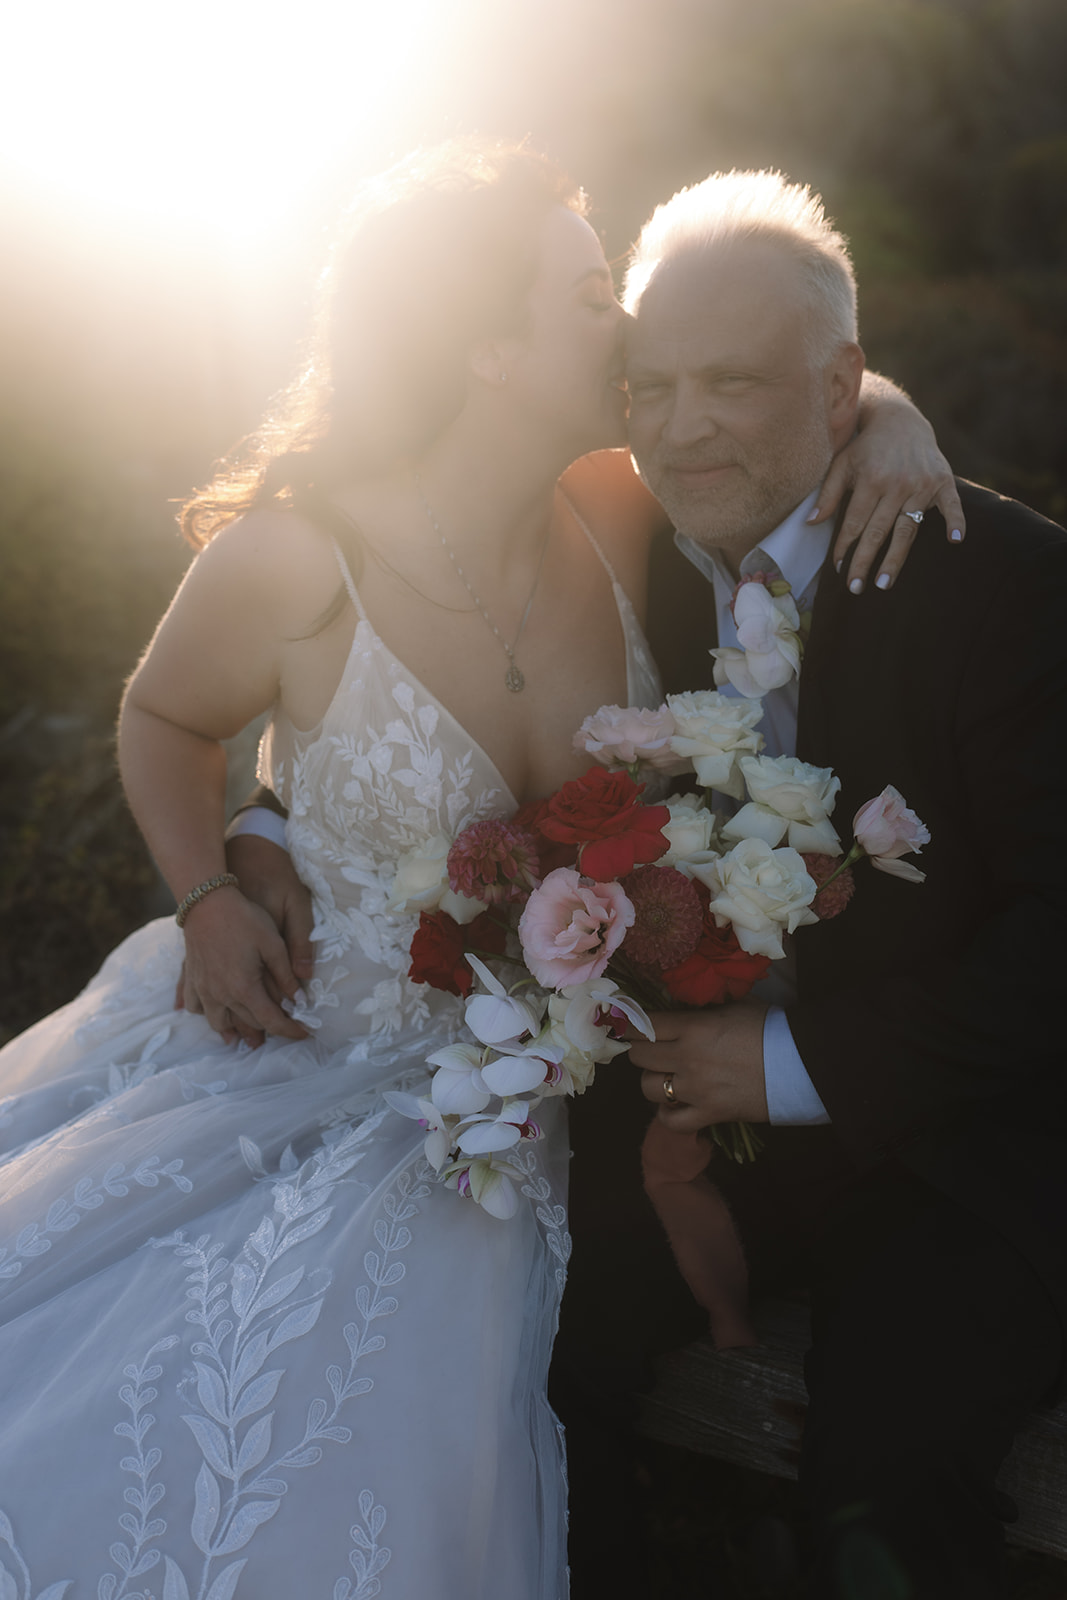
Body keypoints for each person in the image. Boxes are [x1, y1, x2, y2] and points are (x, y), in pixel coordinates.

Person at [0, 140, 958, 1600]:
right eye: (588, 291)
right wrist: (206, 891)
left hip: (531, 1094)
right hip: (297, 1045)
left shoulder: (617, 502)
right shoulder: (296, 561)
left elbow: (798, 381)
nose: (628, 323)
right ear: (488, 343)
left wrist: (891, 419)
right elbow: (162, 715)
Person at [621, 170, 1067, 1598]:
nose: (680, 425)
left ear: (842, 388)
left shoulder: (996, 581)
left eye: (731, 384)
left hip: (975, 1146)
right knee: (525, 1339)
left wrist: (792, 1061)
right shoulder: (623, 561)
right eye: (652, 382)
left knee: (875, 1484)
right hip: (705, 1139)